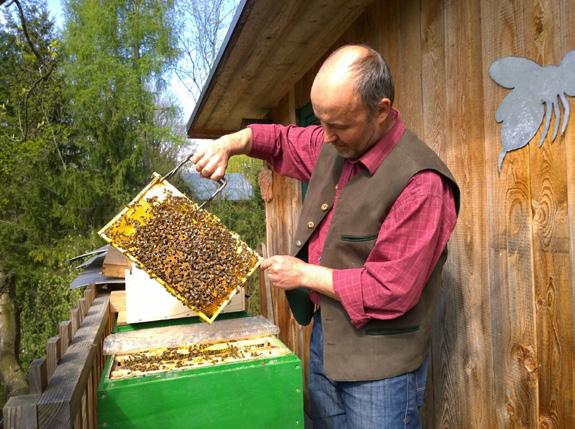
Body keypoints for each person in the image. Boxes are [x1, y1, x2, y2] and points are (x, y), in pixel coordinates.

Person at [192, 44, 460, 429]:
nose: (327, 136)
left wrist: (304, 275)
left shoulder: (422, 184)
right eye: (321, 122)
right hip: (326, 343)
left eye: (339, 125)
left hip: (380, 368)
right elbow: (282, 140)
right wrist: (230, 143)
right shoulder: (333, 142)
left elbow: (392, 288)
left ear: (381, 111)